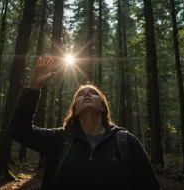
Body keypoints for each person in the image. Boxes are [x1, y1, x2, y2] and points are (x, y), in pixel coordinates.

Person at [9, 57, 161, 189]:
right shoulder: (59, 139)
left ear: (102, 107)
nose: (86, 94)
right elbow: (18, 130)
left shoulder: (126, 142)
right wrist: (33, 89)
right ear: (75, 109)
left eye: (93, 93)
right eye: (80, 95)